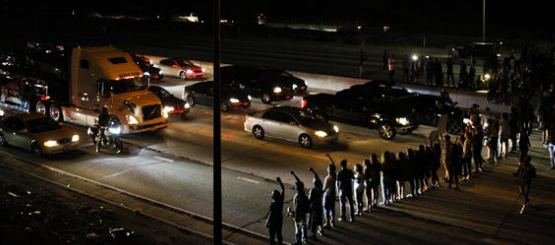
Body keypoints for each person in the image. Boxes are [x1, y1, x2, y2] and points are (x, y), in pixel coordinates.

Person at [291, 171, 310, 245]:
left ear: (297, 188)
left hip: (298, 215)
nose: (295, 187)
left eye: (295, 186)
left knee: (298, 229)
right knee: (303, 227)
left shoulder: (299, 198)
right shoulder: (302, 193)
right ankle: (305, 239)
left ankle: (298, 241)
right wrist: (294, 175)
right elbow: (299, 182)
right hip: (303, 215)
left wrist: (294, 215)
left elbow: (297, 208)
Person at [266, 177, 285, 245]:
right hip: (279, 219)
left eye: (272, 193)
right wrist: (280, 182)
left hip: (273, 221)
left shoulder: (273, 204)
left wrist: (267, 221)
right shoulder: (281, 200)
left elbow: (271, 214)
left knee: (272, 236)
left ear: (273, 196)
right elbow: (283, 188)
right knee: (279, 234)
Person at [307, 167, 324, 239]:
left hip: (314, 207)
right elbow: (318, 179)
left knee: (313, 221)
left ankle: (314, 235)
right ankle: (321, 230)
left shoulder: (312, 190)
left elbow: (310, 200)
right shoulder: (321, 188)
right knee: (319, 219)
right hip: (319, 206)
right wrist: (313, 171)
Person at [323, 154, 337, 228]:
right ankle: (332, 221)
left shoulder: (328, 178)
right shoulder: (334, 175)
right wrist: (329, 157)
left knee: (326, 208)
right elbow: (333, 165)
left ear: (329, 170)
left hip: (327, 194)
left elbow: (324, 189)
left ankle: (327, 222)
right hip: (333, 193)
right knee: (332, 208)